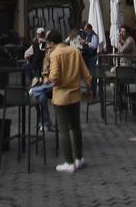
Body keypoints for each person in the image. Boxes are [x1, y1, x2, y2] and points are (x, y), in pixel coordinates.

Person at [47, 28, 91, 173]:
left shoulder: (55, 54)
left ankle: (69, 161)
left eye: (49, 44)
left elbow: (54, 77)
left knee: (64, 129)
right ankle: (79, 158)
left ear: (52, 42)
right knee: (76, 127)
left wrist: (46, 78)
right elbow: (86, 73)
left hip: (61, 96)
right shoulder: (74, 51)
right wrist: (88, 88)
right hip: (75, 93)